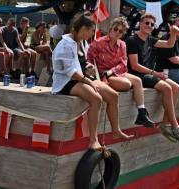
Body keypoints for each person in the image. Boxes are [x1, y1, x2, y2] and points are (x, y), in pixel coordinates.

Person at [52, 13, 133, 150]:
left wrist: (89, 68)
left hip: (81, 79)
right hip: (66, 82)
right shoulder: (65, 44)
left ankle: (116, 130)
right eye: (91, 31)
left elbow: (83, 63)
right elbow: (69, 72)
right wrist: (88, 82)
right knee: (96, 99)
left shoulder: (82, 42)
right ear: (83, 29)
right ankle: (93, 140)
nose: (91, 35)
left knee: (113, 96)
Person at [126, 13, 179, 143]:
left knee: (176, 87)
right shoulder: (132, 40)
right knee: (167, 88)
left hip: (149, 74)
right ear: (140, 23)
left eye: (151, 24)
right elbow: (134, 66)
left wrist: (173, 32)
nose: (149, 26)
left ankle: (166, 124)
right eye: (146, 23)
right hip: (138, 75)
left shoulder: (151, 39)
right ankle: (175, 126)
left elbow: (169, 44)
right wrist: (155, 73)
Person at [87, 17, 155, 128]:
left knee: (137, 80)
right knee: (127, 84)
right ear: (110, 29)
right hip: (104, 75)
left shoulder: (122, 44)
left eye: (121, 31)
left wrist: (112, 71)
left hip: (117, 72)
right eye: (116, 29)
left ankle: (142, 113)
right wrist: (94, 70)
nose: (118, 32)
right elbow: (89, 58)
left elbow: (123, 63)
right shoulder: (98, 42)